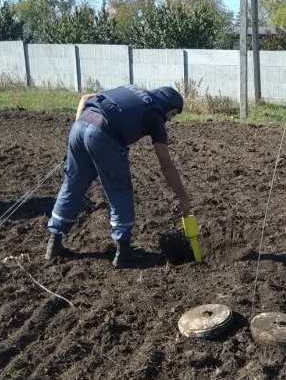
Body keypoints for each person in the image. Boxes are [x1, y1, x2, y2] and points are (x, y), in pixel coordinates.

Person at [45, 84, 190, 268]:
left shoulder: (132, 89)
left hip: (80, 125)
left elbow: (85, 98)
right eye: (173, 115)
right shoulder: (155, 114)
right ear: (169, 107)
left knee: (73, 184)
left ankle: (54, 243)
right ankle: (123, 252)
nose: (170, 119)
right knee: (119, 189)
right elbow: (166, 164)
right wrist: (183, 197)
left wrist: (77, 138)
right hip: (103, 134)